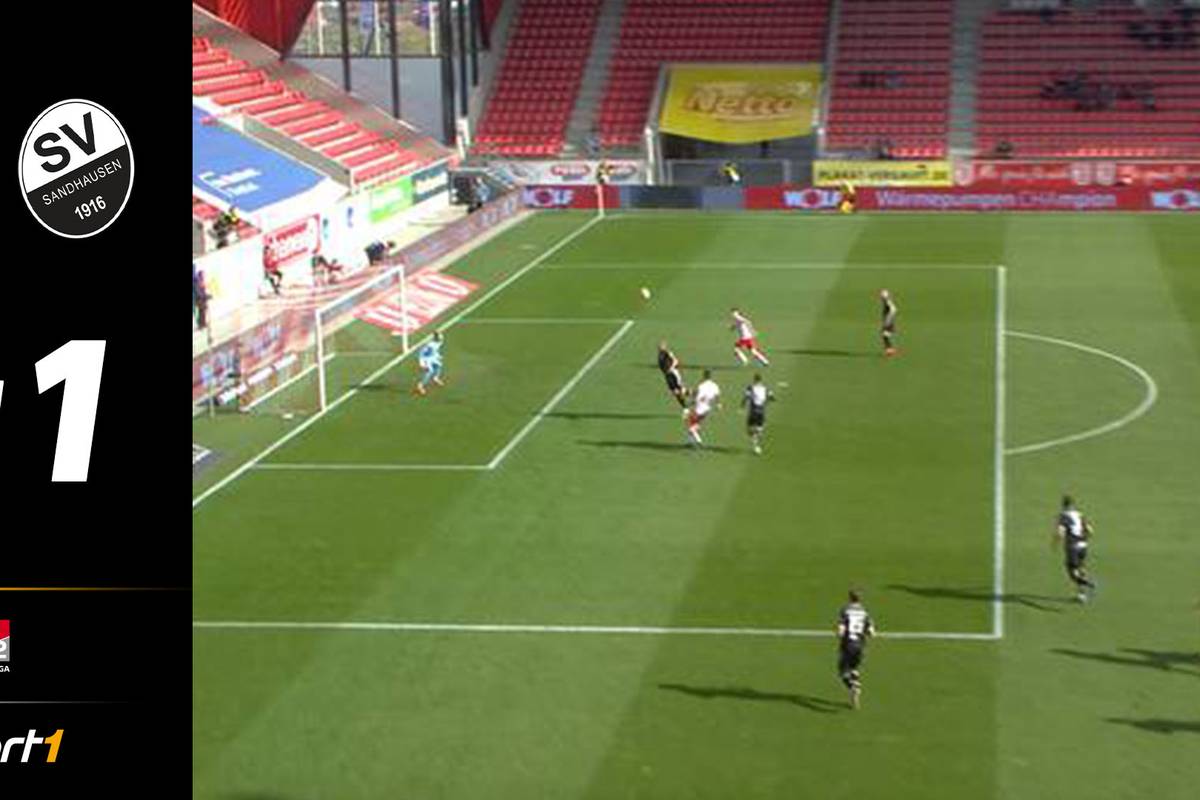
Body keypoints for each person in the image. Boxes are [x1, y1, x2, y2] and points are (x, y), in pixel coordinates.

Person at [836, 589, 876, 710]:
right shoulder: (865, 613)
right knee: (854, 668)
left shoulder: (845, 611)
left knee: (842, 671)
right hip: (860, 646)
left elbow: (841, 631)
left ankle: (853, 687)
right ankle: (855, 685)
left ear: (849, 598)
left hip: (847, 645)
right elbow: (872, 632)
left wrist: (840, 635)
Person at [1055, 495, 1098, 603]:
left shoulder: (1063, 516)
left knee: (1072, 571)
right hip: (1083, 545)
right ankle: (1081, 595)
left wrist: (1055, 542)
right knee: (1081, 568)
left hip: (1072, 546)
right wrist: (1084, 540)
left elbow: (1061, 532)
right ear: (1073, 505)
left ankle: (1088, 583)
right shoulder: (1080, 514)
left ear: (1063, 505)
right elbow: (1090, 530)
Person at [685, 369, 721, 447]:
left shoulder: (701, 386)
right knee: (695, 424)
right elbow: (717, 395)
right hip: (708, 408)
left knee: (690, 423)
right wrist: (718, 404)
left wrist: (689, 403)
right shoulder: (714, 385)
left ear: (704, 376)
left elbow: (697, 397)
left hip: (700, 407)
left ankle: (698, 440)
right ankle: (690, 442)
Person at [741, 373, 774, 455]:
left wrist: (742, 406)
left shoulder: (751, 388)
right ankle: (757, 443)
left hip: (753, 412)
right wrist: (767, 402)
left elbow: (746, 397)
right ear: (760, 380)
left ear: (754, 380)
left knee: (749, 430)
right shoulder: (765, 388)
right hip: (761, 412)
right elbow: (772, 397)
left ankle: (756, 445)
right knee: (759, 429)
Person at [657, 341, 689, 411]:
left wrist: (672, 367)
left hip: (673, 373)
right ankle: (685, 407)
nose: (661, 347)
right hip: (667, 375)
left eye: (662, 346)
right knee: (676, 392)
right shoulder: (660, 355)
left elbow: (676, 361)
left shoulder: (668, 353)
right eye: (660, 346)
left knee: (681, 390)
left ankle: (694, 399)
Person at [413, 331, 445, 396]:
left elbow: (435, 351)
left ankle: (435, 378)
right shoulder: (430, 345)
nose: (441, 339)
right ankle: (420, 386)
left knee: (438, 365)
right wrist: (422, 363)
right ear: (436, 338)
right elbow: (421, 353)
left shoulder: (439, 343)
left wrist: (438, 356)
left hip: (432, 357)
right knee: (429, 372)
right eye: (440, 338)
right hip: (426, 359)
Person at [879, 289, 898, 357]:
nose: (881, 298)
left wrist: (888, 320)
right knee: (886, 334)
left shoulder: (888, 302)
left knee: (885, 334)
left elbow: (893, 310)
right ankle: (890, 349)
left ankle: (889, 350)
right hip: (888, 320)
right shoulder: (887, 302)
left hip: (888, 321)